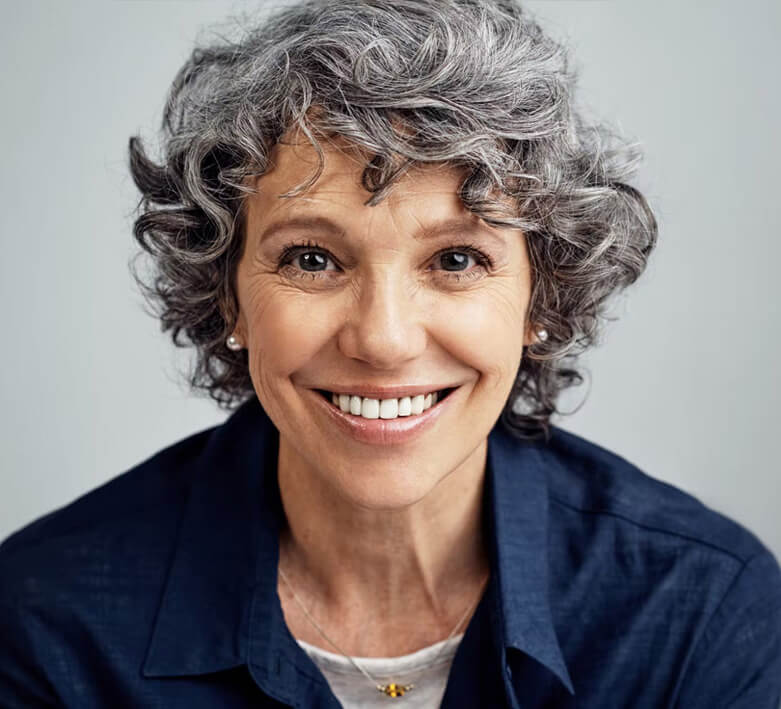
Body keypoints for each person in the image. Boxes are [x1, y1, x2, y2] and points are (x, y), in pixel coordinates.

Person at [1, 0, 779, 706]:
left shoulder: (701, 611)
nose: (383, 338)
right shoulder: (47, 623)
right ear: (228, 294)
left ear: (539, 300)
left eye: (456, 260)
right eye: (311, 258)